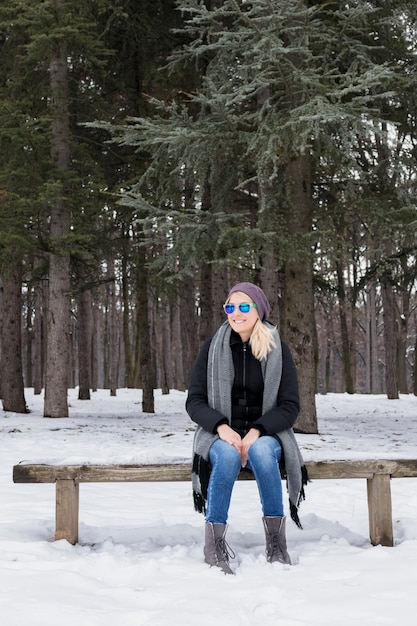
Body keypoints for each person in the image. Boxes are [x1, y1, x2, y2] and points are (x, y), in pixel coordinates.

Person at [186, 282, 307, 574]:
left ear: (258, 310)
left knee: (263, 452)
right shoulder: (212, 348)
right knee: (227, 456)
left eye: (243, 307)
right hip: (220, 434)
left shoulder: (277, 349)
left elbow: (290, 406)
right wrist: (221, 427)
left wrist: (256, 432)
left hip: (267, 433)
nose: (236, 313)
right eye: (230, 307)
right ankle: (213, 546)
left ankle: (277, 543)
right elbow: (195, 402)